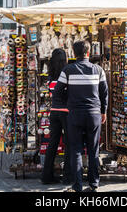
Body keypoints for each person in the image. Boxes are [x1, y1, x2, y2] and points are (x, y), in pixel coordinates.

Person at [54, 40, 108, 193]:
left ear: (73, 53)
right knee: (93, 151)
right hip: (94, 115)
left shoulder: (67, 70)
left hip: (75, 115)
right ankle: (93, 185)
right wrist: (103, 111)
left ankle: (77, 186)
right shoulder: (98, 70)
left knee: (76, 151)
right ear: (88, 53)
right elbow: (104, 93)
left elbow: (57, 92)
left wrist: (69, 101)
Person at [41, 48, 72, 185]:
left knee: (52, 144)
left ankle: (46, 175)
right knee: (69, 143)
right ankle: (67, 176)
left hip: (53, 112)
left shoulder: (50, 75)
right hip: (66, 112)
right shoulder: (68, 73)